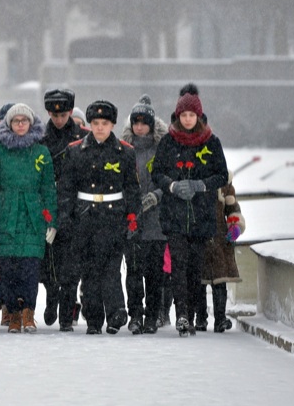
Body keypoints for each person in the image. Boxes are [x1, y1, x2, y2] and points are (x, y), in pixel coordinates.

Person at [151, 84, 229, 336]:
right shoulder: (168, 142)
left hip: (201, 215)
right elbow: (157, 173)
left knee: (196, 268)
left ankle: (194, 315)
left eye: (191, 115)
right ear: (178, 116)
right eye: (183, 115)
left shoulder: (211, 142)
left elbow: (222, 175)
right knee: (178, 266)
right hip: (174, 215)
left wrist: (201, 185)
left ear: (198, 116)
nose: (187, 119)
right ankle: (182, 314)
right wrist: (172, 185)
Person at [56, 100, 140, 334]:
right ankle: (94, 320)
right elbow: (66, 188)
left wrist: (133, 217)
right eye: (95, 123)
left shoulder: (125, 152)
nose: (100, 128)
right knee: (90, 271)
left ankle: (116, 312)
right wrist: (66, 217)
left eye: (104, 123)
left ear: (112, 124)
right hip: (85, 217)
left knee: (111, 268)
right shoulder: (75, 151)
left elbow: (132, 188)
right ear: (90, 124)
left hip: (114, 218)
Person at [0, 103, 56, 333]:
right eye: (16, 121)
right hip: (7, 215)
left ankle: (29, 312)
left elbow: (48, 189)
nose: (21, 124)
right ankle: (13, 313)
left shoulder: (41, 153)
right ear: (9, 124)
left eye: (25, 120)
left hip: (33, 216)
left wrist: (51, 220)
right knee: (9, 269)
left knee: (30, 268)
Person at [121, 95, 169, 334]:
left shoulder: (162, 148)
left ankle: (153, 314)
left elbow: (169, 178)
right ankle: (135, 314)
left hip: (156, 221)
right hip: (132, 219)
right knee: (133, 271)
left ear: (151, 123)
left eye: (143, 121)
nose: (139, 126)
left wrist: (157, 195)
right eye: (135, 121)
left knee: (154, 272)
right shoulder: (124, 149)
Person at [40, 87, 89, 327]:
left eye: (63, 114)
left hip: (76, 206)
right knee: (50, 261)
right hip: (49, 204)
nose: (58, 119)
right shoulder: (40, 138)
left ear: (70, 111)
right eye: (54, 115)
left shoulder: (84, 137)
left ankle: (66, 314)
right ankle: (51, 298)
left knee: (71, 265)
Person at [202, 176, 245, 332]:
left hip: (220, 239)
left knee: (219, 281)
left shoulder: (225, 184)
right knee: (199, 280)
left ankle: (219, 318)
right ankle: (201, 318)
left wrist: (235, 226)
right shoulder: (194, 176)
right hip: (200, 236)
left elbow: (233, 209)